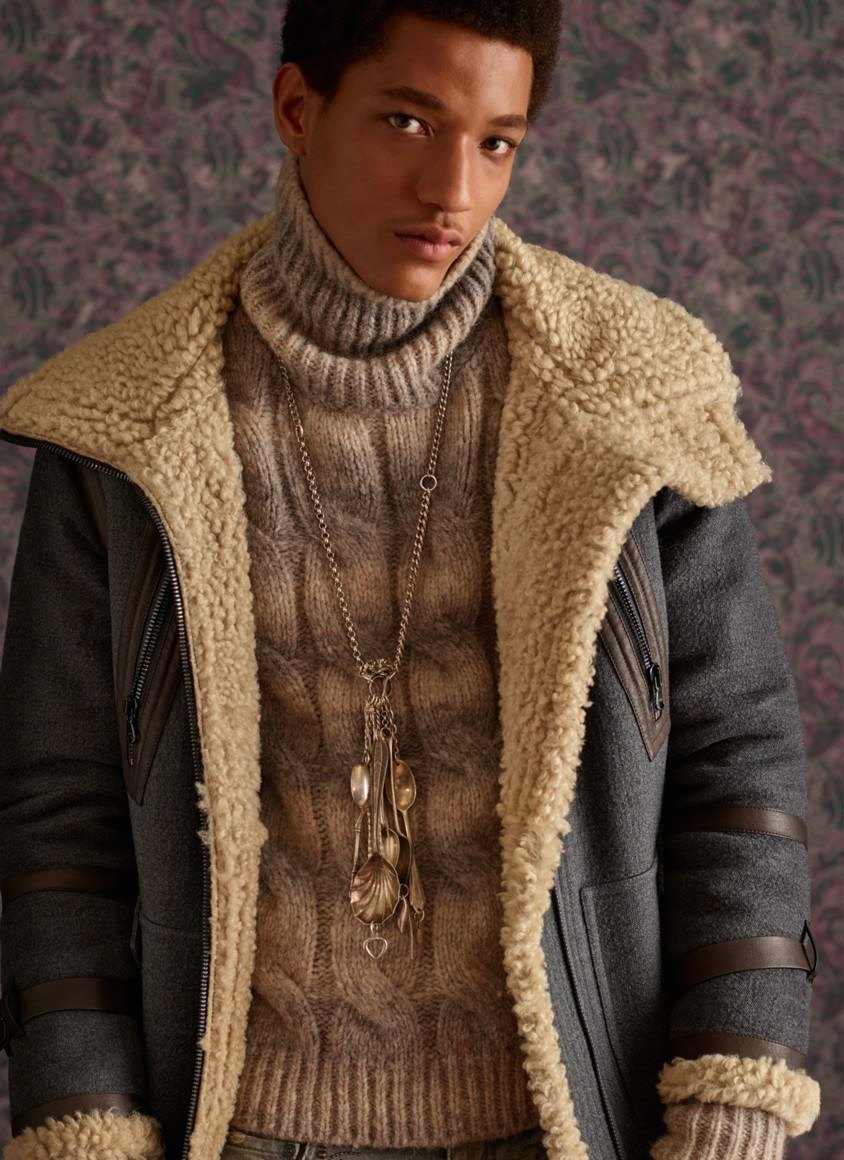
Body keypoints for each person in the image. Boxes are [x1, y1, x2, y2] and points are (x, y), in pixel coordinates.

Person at [0, 3, 821, 1159]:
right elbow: (59, 823)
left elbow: (737, 759)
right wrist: (82, 1119)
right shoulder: (124, 427)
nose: (453, 189)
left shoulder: (635, 395)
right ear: (297, 108)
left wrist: (738, 1081)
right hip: (239, 1122)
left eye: (496, 142)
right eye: (407, 121)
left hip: (567, 1114)